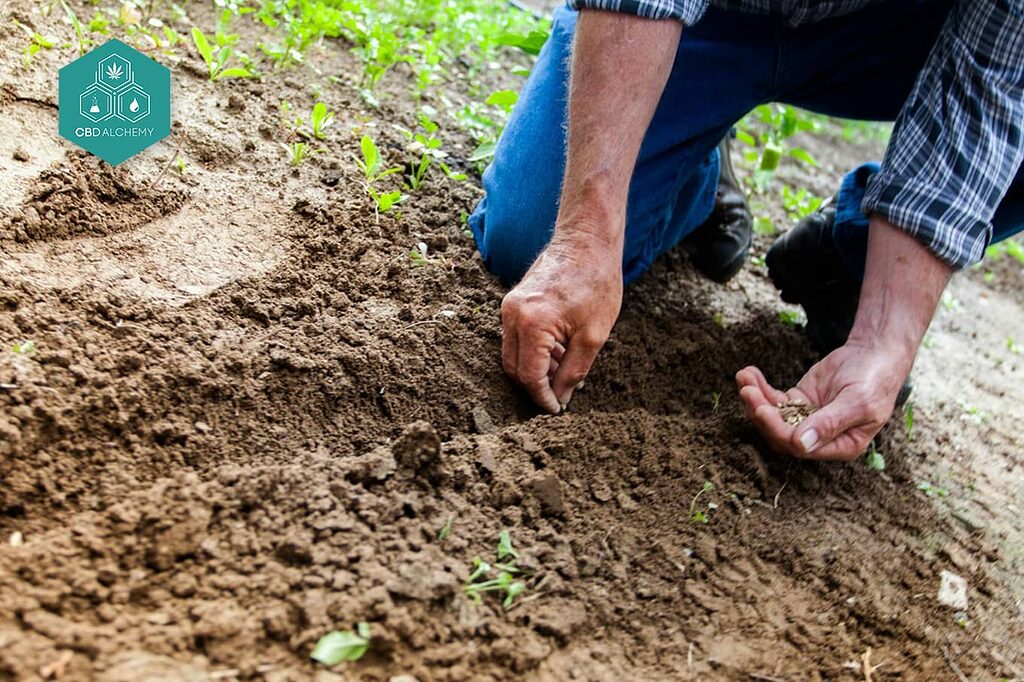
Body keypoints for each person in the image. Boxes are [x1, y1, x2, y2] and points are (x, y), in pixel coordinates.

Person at [466, 0, 1024, 461]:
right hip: (712, 16)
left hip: (894, 35)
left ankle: (850, 256)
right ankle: (694, 166)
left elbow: (989, 86)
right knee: (530, 236)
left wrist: (884, 338)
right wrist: (584, 236)